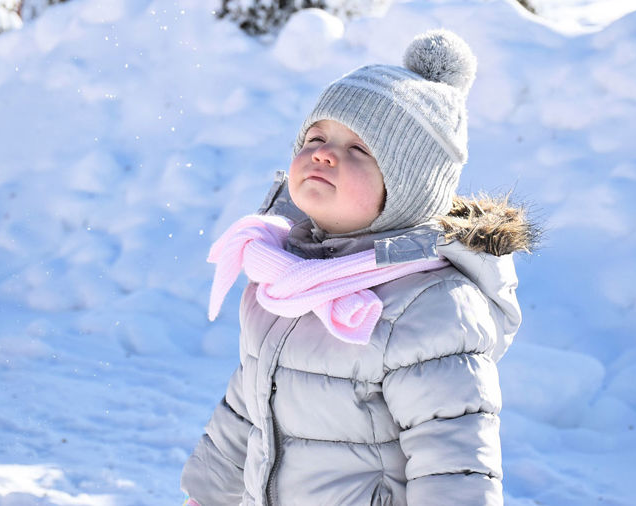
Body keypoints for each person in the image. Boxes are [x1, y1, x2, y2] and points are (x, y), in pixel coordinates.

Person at [180, 29, 535, 506]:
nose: (323, 153)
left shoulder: (430, 304)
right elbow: (247, 407)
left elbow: (454, 460)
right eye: (316, 137)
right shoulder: (283, 274)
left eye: (360, 149)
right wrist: (207, 496)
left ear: (407, 189)